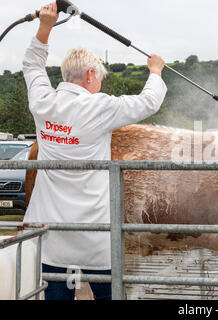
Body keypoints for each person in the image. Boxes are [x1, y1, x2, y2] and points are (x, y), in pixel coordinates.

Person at [22, 2, 167, 300]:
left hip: (53, 234)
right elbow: (148, 102)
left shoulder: (43, 103)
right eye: (99, 77)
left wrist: (45, 26)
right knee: (110, 294)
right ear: (90, 75)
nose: (100, 83)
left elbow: (32, 65)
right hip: (95, 234)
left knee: (55, 292)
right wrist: (155, 71)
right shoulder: (100, 107)